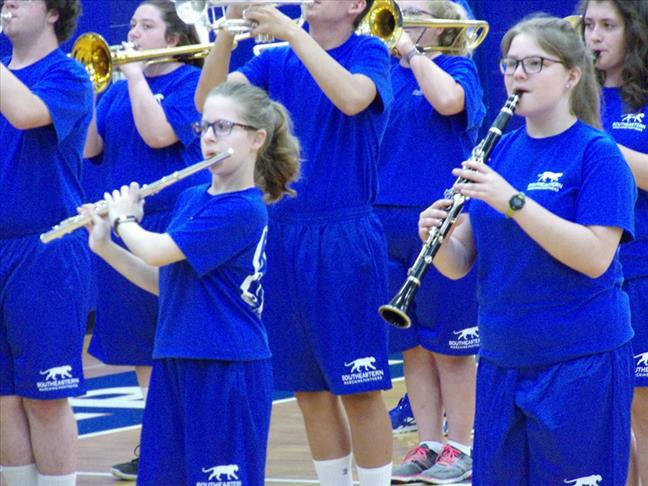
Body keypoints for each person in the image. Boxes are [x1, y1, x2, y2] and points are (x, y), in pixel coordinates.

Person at [418, 15, 636, 484]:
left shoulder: (597, 153)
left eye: (534, 63)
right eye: (510, 64)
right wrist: (437, 240)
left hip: (578, 360)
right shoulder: (499, 150)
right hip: (502, 357)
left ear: (571, 75)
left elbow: (594, 257)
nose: (517, 74)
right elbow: (460, 264)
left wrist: (513, 202)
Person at [195, 2, 395, 484]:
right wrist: (227, 32)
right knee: (308, 390)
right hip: (281, 232)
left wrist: (289, 30)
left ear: (356, 6)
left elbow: (352, 98)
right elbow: (209, 103)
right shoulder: (274, 61)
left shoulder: (368, 51)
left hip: (344, 234)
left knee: (360, 387)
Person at [82, 80, 300, 486]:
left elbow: (156, 250)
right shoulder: (192, 198)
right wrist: (105, 246)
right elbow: (165, 282)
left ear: (257, 139)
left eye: (223, 127)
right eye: (204, 127)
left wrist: (124, 219)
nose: (209, 138)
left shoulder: (243, 209)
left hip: (226, 365)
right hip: (176, 357)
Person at [82, 0, 208, 479]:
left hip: (172, 225)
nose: (133, 33)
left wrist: (134, 76)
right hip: (127, 228)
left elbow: (158, 136)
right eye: (132, 24)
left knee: (178, 339)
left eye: (146, 25)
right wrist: (96, 88)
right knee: (141, 346)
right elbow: (90, 147)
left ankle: (190, 441)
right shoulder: (118, 90)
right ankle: (157, 441)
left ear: (172, 39)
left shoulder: (191, 84)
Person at [374, 0, 484, 483]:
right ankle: (429, 441)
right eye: (400, 10)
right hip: (386, 220)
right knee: (413, 346)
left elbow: (448, 102)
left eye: (416, 11)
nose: (404, 19)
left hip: (442, 222)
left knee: (451, 347)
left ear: (441, 26)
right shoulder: (385, 73)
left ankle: (461, 445)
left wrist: (412, 53)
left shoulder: (458, 68)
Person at [0, 1, 93, 485]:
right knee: (3, 400)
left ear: (55, 12)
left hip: (45, 249)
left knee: (45, 399)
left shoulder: (69, 75)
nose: (8, 2)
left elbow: (24, 113)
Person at [580, 1, 648, 483]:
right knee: (603, 414)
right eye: (589, 25)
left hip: (641, 268)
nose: (595, 36)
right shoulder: (570, 93)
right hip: (585, 274)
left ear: (634, 31)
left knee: (642, 406)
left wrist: (597, 142)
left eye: (608, 26)